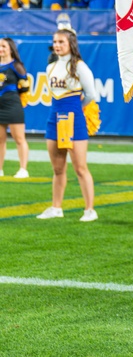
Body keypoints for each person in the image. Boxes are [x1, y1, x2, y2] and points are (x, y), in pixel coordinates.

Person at [36, 29, 99, 222]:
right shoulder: (50, 68)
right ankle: (56, 207)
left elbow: (91, 94)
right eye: (55, 42)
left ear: (70, 44)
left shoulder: (80, 66)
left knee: (80, 167)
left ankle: (90, 210)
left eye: (61, 42)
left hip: (74, 118)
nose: (57, 45)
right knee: (57, 168)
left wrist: (76, 110)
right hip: (54, 117)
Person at [0, 37, 30, 178]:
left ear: (10, 48)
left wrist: (20, 91)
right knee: (0, 140)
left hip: (12, 105)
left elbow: (25, 85)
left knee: (19, 138)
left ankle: (23, 169)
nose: (1, 49)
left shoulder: (16, 65)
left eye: (4, 46)